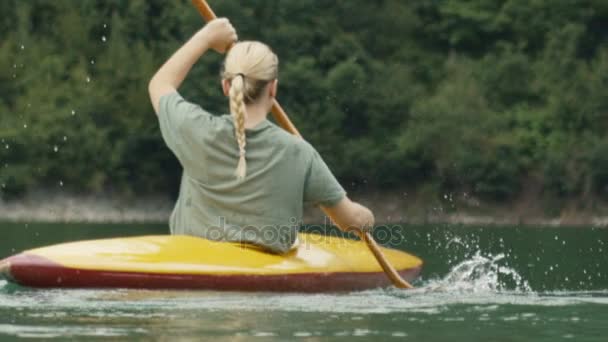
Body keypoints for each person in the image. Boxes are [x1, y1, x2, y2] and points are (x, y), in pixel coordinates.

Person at [148, 18, 374, 254]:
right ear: (273, 88)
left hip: (192, 271)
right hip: (262, 283)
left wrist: (206, 36)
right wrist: (367, 219)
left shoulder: (195, 129)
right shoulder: (299, 153)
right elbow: (350, 220)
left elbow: (159, 84)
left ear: (226, 86)